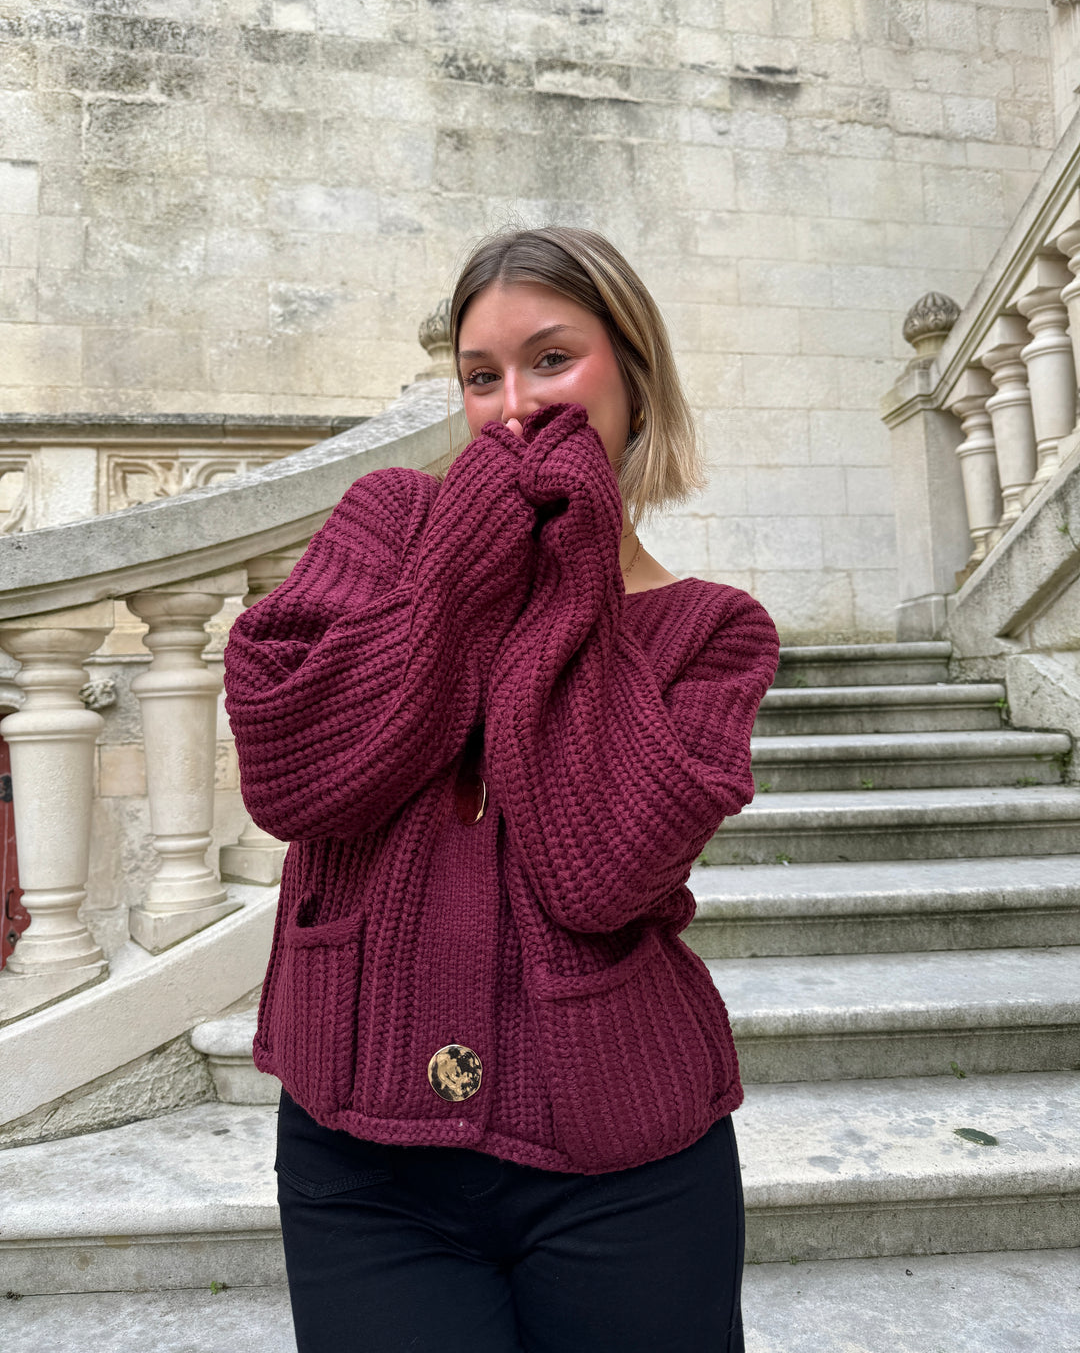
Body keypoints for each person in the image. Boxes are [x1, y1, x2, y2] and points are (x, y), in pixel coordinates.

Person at [222, 225, 780, 1353]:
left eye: (552, 359)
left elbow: (601, 869)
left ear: (634, 370)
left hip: (624, 1163)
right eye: (483, 377)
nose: (514, 406)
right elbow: (294, 767)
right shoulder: (386, 526)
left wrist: (577, 577)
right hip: (362, 1160)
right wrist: (463, 565)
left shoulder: (712, 632)